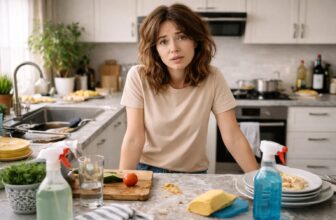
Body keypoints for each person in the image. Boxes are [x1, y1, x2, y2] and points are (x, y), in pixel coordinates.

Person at [119, 4, 258, 173]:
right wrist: (122, 187)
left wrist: (258, 180)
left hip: (194, 174)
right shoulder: (138, 76)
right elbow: (134, 138)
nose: (174, 48)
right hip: (148, 172)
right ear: (155, 49)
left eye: (182, 37)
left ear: (196, 41)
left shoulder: (213, 77)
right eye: (163, 41)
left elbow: (233, 136)